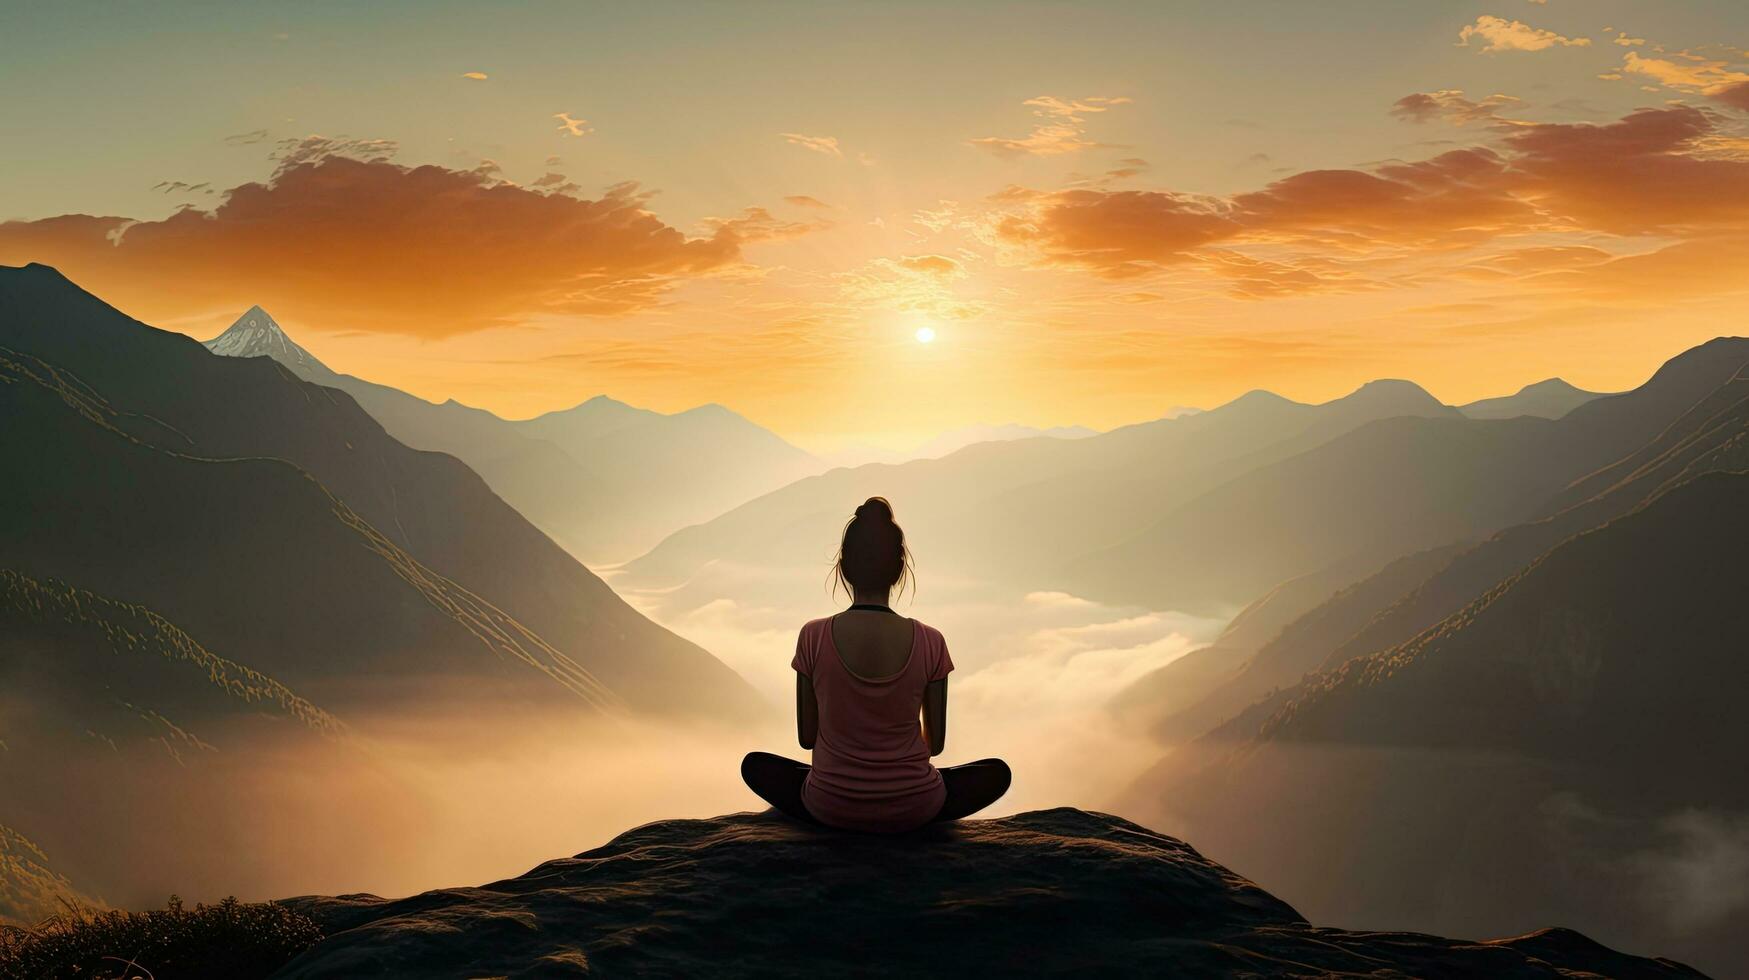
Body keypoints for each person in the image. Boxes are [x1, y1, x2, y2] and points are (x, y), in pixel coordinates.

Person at [741, 496, 1011, 833]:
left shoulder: (813, 636)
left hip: (829, 805)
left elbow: (807, 737)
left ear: (844, 567)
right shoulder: (931, 641)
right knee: (996, 773)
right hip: (915, 805)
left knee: (756, 766)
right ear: (899, 570)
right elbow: (935, 745)